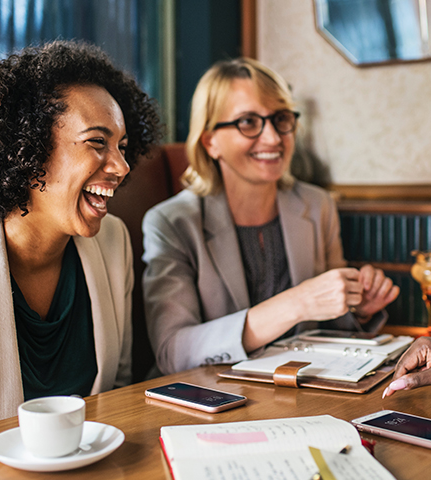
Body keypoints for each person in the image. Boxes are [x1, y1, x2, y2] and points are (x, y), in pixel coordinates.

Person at [0, 40, 160, 445]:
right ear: (27, 150)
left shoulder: (114, 243)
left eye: (122, 147)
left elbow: (114, 394)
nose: (122, 167)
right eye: (97, 142)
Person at [142, 57, 399, 375]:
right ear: (210, 142)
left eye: (280, 118)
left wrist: (358, 309)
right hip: (212, 400)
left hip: (302, 390)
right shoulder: (171, 223)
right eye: (248, 122)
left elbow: (330, 327)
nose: (274, 138)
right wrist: (297, 303)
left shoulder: (317, 206)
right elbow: (172, 352)